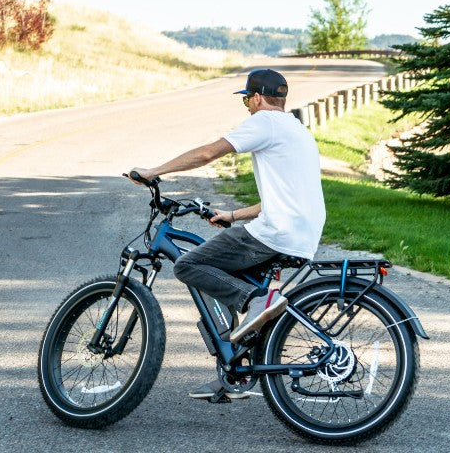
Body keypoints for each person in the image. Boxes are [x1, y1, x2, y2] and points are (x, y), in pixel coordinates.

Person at [129, 68, 326, 400]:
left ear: (258, 98)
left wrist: (154, 171)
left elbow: (208, 153)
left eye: (247, 99)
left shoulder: (264, 122)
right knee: (220, 273)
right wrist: (232, 215)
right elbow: (279, 199)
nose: (248, 105)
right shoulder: (297, 129)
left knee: (189, 266)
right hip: (302, 234)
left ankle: (256, 301)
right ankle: (235, 365)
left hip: (276, 233)